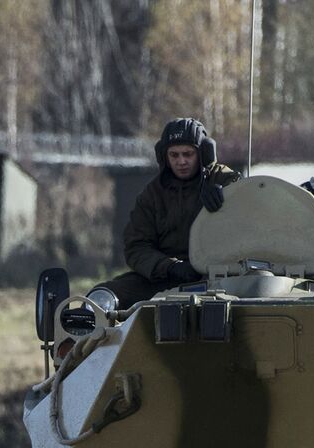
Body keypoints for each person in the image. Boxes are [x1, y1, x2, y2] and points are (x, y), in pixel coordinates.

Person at [88, 118, 239, 310]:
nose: (181, 161)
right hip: (167, 276)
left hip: (222, 277)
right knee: (101, 299)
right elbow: (136, 246)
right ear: (164, 156)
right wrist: (170, 266)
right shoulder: (152, 194)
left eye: (188, 154)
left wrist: (228, 196)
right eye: (174, 155)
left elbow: (254, 213)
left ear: (203, 154)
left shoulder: (227, 181)